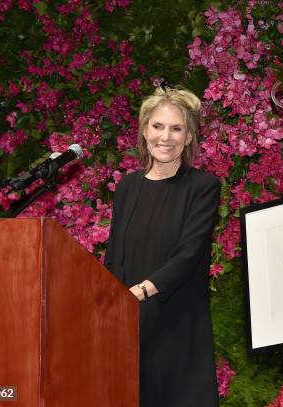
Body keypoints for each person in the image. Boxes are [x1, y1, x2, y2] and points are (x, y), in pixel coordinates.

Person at [104, 87, 220, 406]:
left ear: (190, 137)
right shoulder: (128, 187)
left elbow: (190, 254)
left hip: (178, 330)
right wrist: (108, 308)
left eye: (176, 128)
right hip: (131, 329)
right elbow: (114, 257)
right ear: (144, 131)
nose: (165, 137)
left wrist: (140, 292)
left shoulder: (203, 187)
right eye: (158, 126)